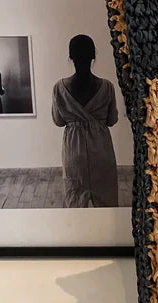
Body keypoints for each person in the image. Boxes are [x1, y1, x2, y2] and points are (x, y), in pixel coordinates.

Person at [51, 35, 119, 207]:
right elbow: (112, 120)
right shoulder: (107, 87)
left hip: (74, 151)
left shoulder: (59, 88)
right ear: (93, 56)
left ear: (71, 57)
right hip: (101, 149)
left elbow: (58, 121)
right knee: (107, 203)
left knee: (75, 201)